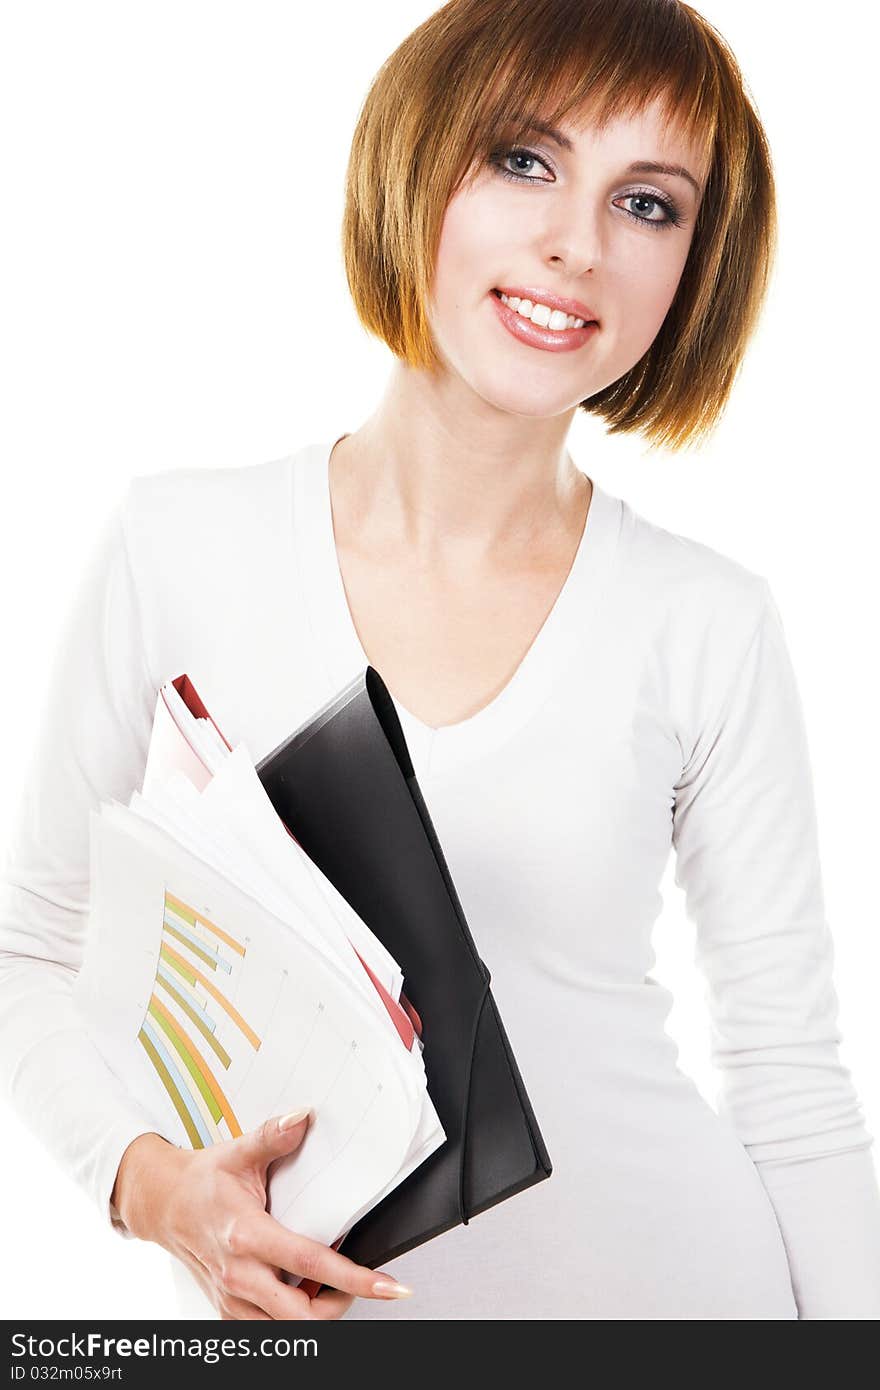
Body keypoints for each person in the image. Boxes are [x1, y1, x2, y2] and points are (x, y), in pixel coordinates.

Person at [2, 0, 880, 1321]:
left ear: (694, 268)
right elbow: (32, 950)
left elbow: (792, 1082)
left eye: (649, 204)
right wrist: (160, 1193)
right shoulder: (179, 543)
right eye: (524, 160)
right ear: (419, 162)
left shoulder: (708, 619)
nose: (576, 245)